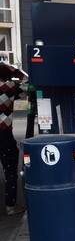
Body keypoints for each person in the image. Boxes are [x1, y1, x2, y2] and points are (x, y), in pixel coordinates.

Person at [0, 62, 27, 215]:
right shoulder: (8, 87)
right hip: (3, 133)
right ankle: (11, 206)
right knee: (10, 170)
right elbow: (29, 86)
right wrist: (16, 71)